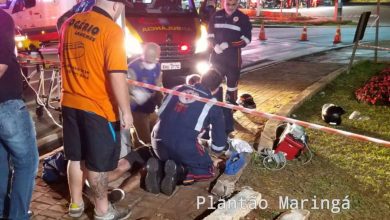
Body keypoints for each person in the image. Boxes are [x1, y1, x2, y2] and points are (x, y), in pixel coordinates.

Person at [59, 0, 133, 219]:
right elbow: (117, 74)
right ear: (116, 5)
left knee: (76, 157)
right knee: (97, 164)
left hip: (70, 102)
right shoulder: (112, 30)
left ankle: (76, 204)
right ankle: (103, 211)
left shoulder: (70, 23)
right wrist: (126, 111)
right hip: (98, 108)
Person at [145, 69, 228, 196]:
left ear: (200, 79)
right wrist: (216, 151)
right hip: (183, 146)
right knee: (207, 170)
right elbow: (219, 144)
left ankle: (161, 167)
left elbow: (161, 112)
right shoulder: (213, 104)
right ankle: (180, 171)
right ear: (217, 88)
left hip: (157, 140)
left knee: (174, 153)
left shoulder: (177, 88)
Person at [0, 8, 39, 220]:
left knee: (1, 165)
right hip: (7, 105)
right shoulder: (2, 18)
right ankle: (18, 216)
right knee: (27, 163)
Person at [207, 0, 252, 135]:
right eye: (228, 4)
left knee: (232, 86)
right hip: (217, 58)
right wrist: (214, 45)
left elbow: (246, 39)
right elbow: (209, 35)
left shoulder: (243, 18)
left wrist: (229, 44)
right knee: (213, 84)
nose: (231, 7)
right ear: (223, 3)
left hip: (233, 59)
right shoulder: (216, 16)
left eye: (233, 4)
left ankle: (230, 111)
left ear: (237, 4)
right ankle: (214, 108)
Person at [128, 42, 163, 148]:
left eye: (154, 59)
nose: (151, 63)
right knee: (145, 141)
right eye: (148, 60)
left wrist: (161, 98)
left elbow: (158, 83)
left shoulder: (156, 65)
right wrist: (137, 96)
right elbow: (125, 91)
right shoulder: (133, 68)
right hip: (137, 109)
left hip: (150, 107)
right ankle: (141, 159)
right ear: (143, 56)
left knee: (156, 133)